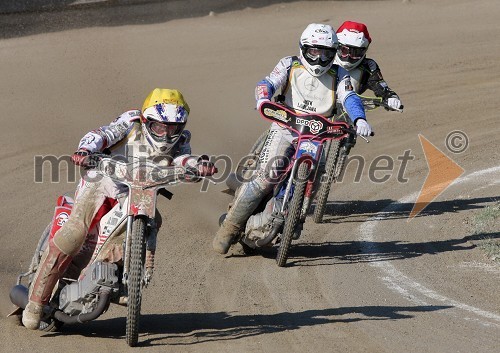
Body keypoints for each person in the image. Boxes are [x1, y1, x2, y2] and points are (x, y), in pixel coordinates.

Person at [22, 88, 216, 329]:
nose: (166, 134)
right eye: (159, 127)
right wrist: (86, 150)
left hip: (136, 192)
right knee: (74, 234)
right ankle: (35, 303)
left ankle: (125, 275)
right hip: (102, 181)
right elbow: (104, 134)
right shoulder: (132, 121)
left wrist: (199, 165)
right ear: (147, 121)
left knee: (155, 218)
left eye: (172, 128)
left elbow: (182, 161)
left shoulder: (182, 140)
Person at [212, 23, 369, 254]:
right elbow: (268, 83)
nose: (319, 58)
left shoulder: (340, 74)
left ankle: (297, 216)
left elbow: (350, 97)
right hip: (286, 126)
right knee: (266, 176)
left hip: (317, 134)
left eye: (326, 53)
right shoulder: (289, 64)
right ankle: (229, 227)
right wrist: (263, 98)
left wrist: (359, 119)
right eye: (314, 51)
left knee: (318, 176)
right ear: (304, 48)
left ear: (334, 53)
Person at [334, 21, 403, 111]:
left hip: (349, 114)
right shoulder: (326, 59)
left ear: (364, 50)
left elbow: (381, 87)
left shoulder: (369, 66)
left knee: (363, 125)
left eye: (356, 52)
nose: (348, 57)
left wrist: (391, 97)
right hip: (315, 110)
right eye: (344, 51)